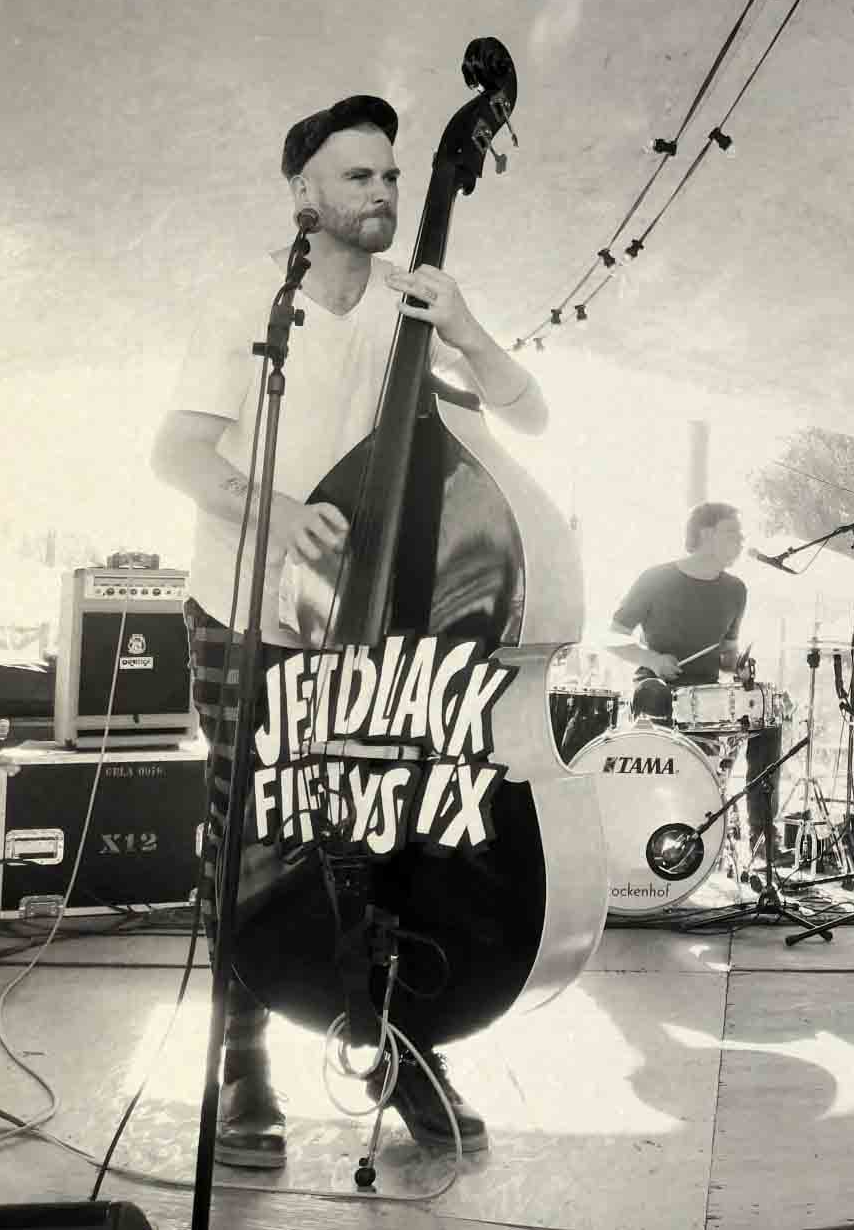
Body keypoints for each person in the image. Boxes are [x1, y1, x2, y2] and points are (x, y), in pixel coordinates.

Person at [151, 95, 549, 1167]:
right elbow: (177, 454)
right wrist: (276, 515)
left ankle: (402, 1042)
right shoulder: (247, 301)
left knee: (392, 826)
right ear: (304, 192)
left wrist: (467, 331)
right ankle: (243, 1062)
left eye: (390, 176)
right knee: (250, 836)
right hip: (246, 612)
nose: (381, 193)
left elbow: (531, 415)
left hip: (371, 624)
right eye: (357, 176)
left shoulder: (408, 305)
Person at [608, 503, 783, 867]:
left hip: (707, 697)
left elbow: (727, 655)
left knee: (769, 720)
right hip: (657, 687)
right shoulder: (655, 578)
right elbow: (612, 636)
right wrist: (653, 659)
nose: (741, 542)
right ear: (705, 534)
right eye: (732, 533)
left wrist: (740, 670)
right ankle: (651, 827)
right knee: (653, 694)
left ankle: (763, 840)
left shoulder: (736, 589)